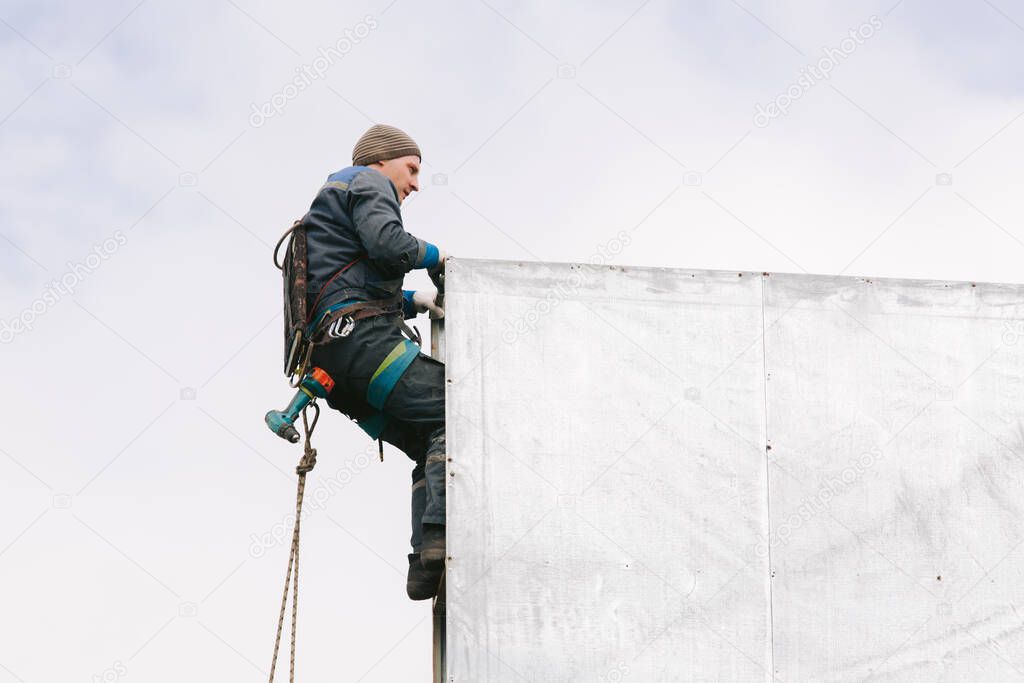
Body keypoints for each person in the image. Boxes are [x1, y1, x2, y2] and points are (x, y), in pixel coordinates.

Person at [301, 124, 448, 600]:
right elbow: (387, 245)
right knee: (464, 411)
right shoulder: (367, 182)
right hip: (365, 347)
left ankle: (427, 558)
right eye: (412, 169)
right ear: (383, 161)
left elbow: (355, 281)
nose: (415, 184)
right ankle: (441, 532)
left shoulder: (332, 203)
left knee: (433, 437)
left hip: (338, 368)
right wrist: (436, 257)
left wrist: (414, 302)